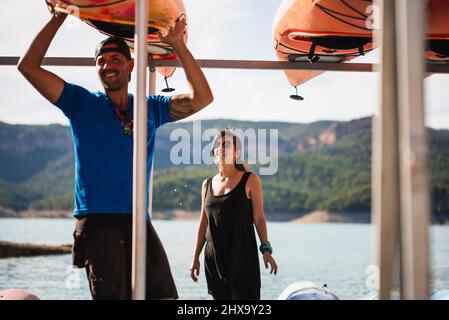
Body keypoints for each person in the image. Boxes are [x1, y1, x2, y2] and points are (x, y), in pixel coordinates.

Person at [17, 5, 213, 300]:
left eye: (116, 59)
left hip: (137, 219)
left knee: (165, 296)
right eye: (102, 61)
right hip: (98, 221)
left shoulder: (150, 107)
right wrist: (58, 18)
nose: (108, 65)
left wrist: (176, 45)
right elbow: (28, 66)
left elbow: (203, 97)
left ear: (131, 65)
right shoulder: (80, 103)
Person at [189, 128, 278, 300]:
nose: (221, 148)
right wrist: (195, 257)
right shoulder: (207, 185)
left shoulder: (250, 180)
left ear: (236, 153)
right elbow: (203, 224)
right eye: (218, 144)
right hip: (214, 261)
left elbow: (259, 218)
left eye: (227, 144)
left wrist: (266, 249)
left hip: (242, 261)